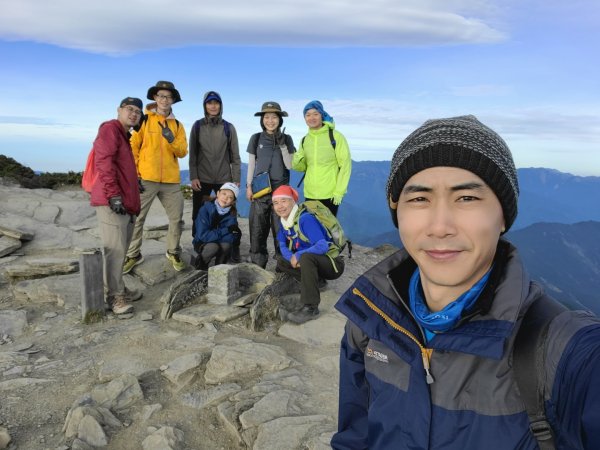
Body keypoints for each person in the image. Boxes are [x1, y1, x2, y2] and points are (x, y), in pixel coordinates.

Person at [331, 116, 600, 449]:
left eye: (467, 199)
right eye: (419, 199)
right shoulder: (370, 322)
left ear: (503, 216)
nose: (440, 226)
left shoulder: (564, 352)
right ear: (398, 212)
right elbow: (355, 438)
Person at [123, 81, 188, 274]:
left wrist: (171, 139)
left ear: (173, 100)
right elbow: (133, 147)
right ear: (154, 98)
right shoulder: (144, 120)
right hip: (147, 178)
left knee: (176, 219)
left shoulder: (177, 125)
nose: (164, 100)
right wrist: (135, 175)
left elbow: (183, 151)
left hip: (170, 180)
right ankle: (133, 254)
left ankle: (173, 251)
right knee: (137, 218)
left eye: (168, 97)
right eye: (161, 96)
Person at [89, 97, 144, 315]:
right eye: (129, 109)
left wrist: (133, 184)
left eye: (138, 112)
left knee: (121, 250)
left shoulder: (124, 135)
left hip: (125, 203)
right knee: (115, 251)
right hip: (112, 203)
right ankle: (115, 297)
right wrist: (114, 195)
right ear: (119, 110)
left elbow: (120, 167)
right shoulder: (110, 129)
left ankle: (118, 288)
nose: (134, 114)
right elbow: (103, 162)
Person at [273, 185, 345, 324]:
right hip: (312, 261)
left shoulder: (305, 219)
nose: (280, 206)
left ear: (293, 201)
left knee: (306, 257)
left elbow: (322, 246)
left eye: (284, 201)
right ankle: (317, 281)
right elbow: (282, 245)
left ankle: (311, 308)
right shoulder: (285, 222)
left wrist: (298, 255)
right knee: (280, 260)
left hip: (333, 264)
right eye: (276, 202)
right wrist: (292, 258)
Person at [189, 91, 241, 261]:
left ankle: (233, 246)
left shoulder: (228, 127)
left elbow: (235, 156)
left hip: (224, 178)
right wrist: (193, 176)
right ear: (205, 106)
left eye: (216, 103)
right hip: (202, 176)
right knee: (198, 211)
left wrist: (236, 179)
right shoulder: (197, 126)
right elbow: (193, 155)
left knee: (229, 212)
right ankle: (199, 243)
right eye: (209, 103)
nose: (213, 106)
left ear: (220, 105)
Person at [246, 101, 295, 268]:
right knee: (257, 230)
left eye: (274, 117)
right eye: (267, 117)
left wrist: (282, 145)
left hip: (281, 192)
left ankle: (283, 266)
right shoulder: (256, 138)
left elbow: (290, 165)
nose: (270, 120)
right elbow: (252, 164)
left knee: (281, 231)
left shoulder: (287, 139)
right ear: (262, 119)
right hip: (260, 191)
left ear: (280, 120)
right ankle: (257, 266)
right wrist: (248, 186)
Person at [292, 100, 351, 217]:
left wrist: (339, 191)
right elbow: (300, 168)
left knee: (329, 229)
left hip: (330, 194)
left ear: (322, 115)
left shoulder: (335, 136)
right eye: (307, 115)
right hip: (310, 193)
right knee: (312, 229)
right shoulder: (305, 140)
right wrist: (297, 157)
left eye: (315, 114)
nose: (311, 118)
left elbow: (345, 165)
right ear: (304, 118)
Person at [192, 182, 241, 271]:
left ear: (233, 201)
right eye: (224, 194)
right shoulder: (205, 209)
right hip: (201, 242)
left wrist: (220, 236)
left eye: (230, 197)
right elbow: (203, 235)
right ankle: (201, 267)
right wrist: (225, 230)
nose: (226, 198)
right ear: (218, 193)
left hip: (217, 240)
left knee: (226, 245)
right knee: (213, 247)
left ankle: (218, 270)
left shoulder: (232, 214)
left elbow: (231, 238)